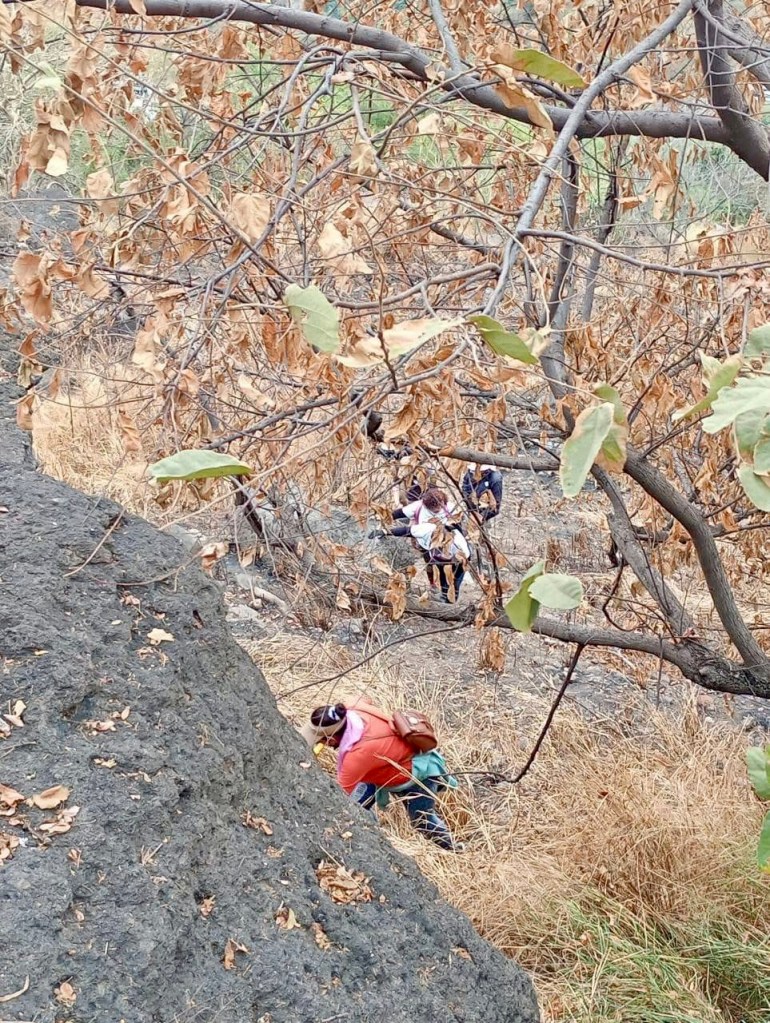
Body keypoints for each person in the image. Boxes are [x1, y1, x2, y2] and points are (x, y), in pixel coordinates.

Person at [299, 701, 461, 851]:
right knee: (357, 808)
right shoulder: (353, 707)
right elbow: (366, 699)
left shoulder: (357, 756)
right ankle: (373, 837)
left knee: (422, 821)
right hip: (379, 770)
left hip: (419, 776)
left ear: (332, 738)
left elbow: (340, 797)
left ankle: (453, 848)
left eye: (322, 741)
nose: (322, 744)